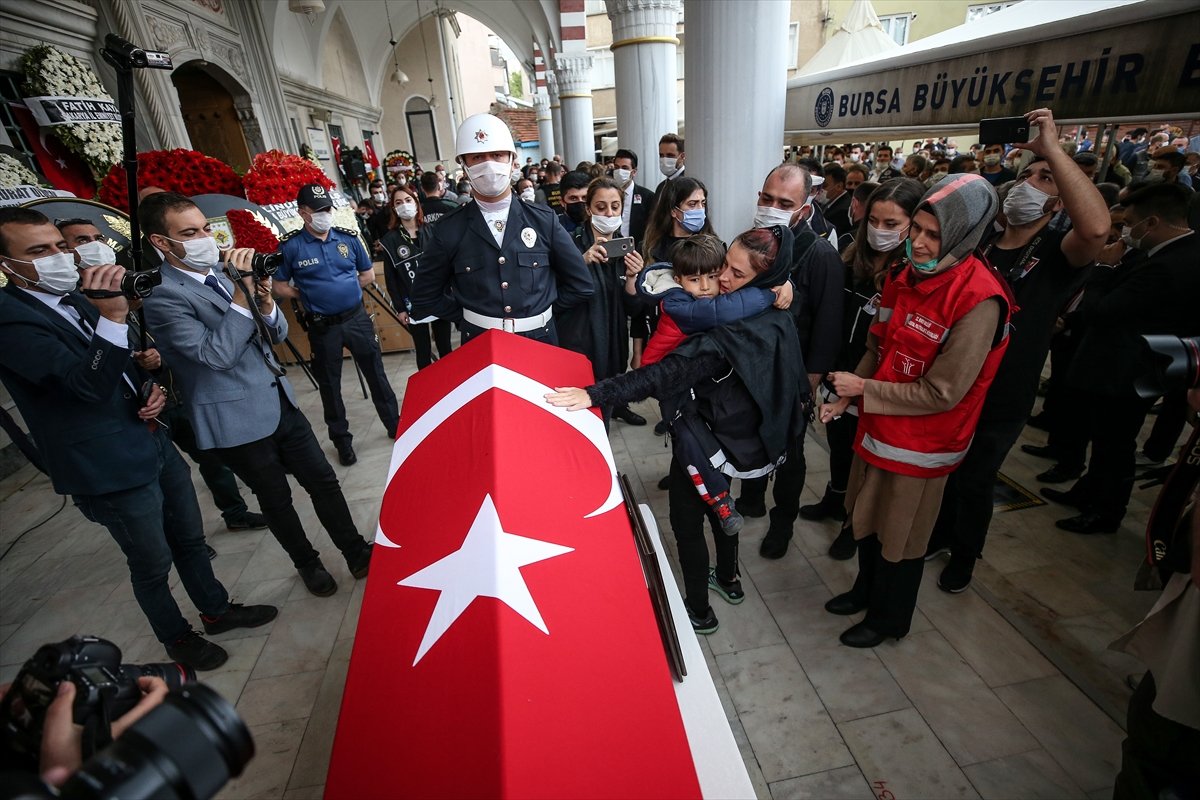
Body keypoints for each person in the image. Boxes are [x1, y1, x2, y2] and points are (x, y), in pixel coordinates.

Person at [0, 207, 277, 670]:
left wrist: (149, 388)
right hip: (106, 465)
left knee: (189, 538)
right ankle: (177, 638)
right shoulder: (11, 319)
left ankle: (216, 609)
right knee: (152, 560)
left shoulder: (76, 297)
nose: (57, 257)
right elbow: (82, 385)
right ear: (8, 265)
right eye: (38, 251)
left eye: (58, 247)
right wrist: (111, 314)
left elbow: (119, 370)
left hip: (150, 437)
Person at [547, 226, 806, 634]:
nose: (720, 280)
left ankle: (700, 611)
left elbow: (662, 375)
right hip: (736, 435)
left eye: (736, 275)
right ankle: (728, 580)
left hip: (703, 434)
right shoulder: (775, 308)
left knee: (688, 521)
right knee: (723, 505)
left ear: (764, 280)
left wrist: (595, 394)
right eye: (725, 266)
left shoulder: (723, 332)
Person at [139, 192, 374, 599]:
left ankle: (355, 550)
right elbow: (215, 356)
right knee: (276, 499)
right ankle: (308, 564)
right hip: (234, 418)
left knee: (324, 481)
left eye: (206, 228)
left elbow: (277, 335)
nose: (205, 238)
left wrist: (264, 303)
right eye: (190, 232)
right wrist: (238, 298)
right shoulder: (162, 296)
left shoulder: (221, 269)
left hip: (279, 400)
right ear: (161, 242)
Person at [818, 173, 1012, 648]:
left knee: (901, 538)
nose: (918, 243)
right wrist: (850, 397)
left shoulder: (979, 300)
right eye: (916, 230)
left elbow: (944, 391)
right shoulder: (905, 275)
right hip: (877, 425)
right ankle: (864, 592)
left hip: (922, 445)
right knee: (864, 516)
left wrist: (864, 388)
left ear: (964, 236)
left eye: (932, 235)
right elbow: (878, 344)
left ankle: (891, 619)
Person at [928, 108, 1108, 586]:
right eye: (1026, 173)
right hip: (953, 381)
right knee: (944, 467)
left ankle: (965, 554)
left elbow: (1094, 231)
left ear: (1059, 200)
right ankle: (940, 534)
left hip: (1004, 390)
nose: (1030, 182)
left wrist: (1052, 149)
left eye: (1045, 179)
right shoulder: (980, 240)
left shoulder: (1057, 253)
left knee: (977, 476)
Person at [55, 218, 268, 535]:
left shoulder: (133, 283)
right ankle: (181, 535)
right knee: (163, 476)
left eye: (98, 237)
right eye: (82, 240)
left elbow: (174, 336)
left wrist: (156, 359)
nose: (95, 245)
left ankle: (234, 510)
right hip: (128, 406)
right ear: (68, 252)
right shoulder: (71, 300)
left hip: (169, 388)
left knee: (209, 457)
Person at [1044, 183, 1199, 533]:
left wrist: (1103, 269)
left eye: (1129, 222)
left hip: (1136, 369)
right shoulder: (1173, 252)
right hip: (1133, 362)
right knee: (1104, 436)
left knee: (1115, 443)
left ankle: (1106, 511)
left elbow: (1105, 310)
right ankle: (1089, 491)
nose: (1125, 230)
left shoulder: (1172, 264)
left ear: (1152, 222)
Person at [803, 179, 926, 554]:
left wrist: (863, 382)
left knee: (863, 461)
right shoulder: (850, 257)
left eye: (892, 224)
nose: (879, 231)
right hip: (839, 372)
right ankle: (835, 499)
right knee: (840, 447)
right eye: (874, 220)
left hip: (875, 381)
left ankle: (852, 525)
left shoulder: (911, 273)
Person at [632, 233, 783, 533]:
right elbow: (721, 312)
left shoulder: (702, 296)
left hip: (692, 379)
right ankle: (719, 501)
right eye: (694, 279)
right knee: (689, 439)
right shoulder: (679, 303)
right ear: (678, 279)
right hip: (666, 380)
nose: (704, 287)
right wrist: (771, 293)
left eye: (713, 277)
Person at [410, 113, 593, 345]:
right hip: (481, 343)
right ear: (464, 166)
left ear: (512, 160)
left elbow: (581, 285)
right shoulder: (448, 229)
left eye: (496, 155)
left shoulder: (543, 221)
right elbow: (424, 296)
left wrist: (541, 313)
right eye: (477, 157)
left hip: (540, 340)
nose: (488, 163)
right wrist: (469, 318)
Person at [737, 165, 845, 559]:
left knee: (789, 454)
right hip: (750, 365)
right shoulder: (752, 242)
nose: (772, 208)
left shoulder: (819, 255)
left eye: (785, 203)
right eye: (767, 198)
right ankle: (750, 498)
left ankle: (782, 523)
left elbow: (829, 326)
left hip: (793, 373)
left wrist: (811, 382)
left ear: (804, 207)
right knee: (749, 436)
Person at [274, 184, 399, 466]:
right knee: (330, 386)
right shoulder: (291, 246)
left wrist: (346, 290)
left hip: (355, 318)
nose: (324, 215)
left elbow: (367, 275)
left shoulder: (348, 239)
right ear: (303, 213)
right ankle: (342, 441)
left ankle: (395, 425)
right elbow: (280, 286)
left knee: (376, 374)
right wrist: (306, 296)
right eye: (318, 211)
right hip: (322, 326)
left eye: (327, 209)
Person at [559, 176, 646, 426]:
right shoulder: (569, 244)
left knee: (605, 407)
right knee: (580, 417)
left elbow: (633, 308)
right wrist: (581, 262)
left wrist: (632, 278)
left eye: (615, 206)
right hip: (578, 344)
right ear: (588, 209)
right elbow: (558, 297)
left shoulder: (625, 249)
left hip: (613, 344)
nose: (609, 213)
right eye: (601, 207)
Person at [378, 184, 453, 369]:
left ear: (416, 202)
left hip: (439, 297)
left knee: (445, 347)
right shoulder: (389, 240)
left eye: (408, 200)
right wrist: (400, 308)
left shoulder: (433, 230)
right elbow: (391, 279)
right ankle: (429, 391)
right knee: (423, 350)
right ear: (394, 208)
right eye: (399, 202)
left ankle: (451, 386)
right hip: (413, 303)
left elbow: (447, 266)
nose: (404, 205)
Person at [613, 148, 655, 245]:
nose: (620, 171)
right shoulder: (608, 194)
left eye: (624, 168)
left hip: (635, 251)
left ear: (634, 172)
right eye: (616, 167)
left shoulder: (647, 197)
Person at [821, 164, 853, 239]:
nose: (820, 190)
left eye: (824, 186)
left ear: (839, 186)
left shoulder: (842, 211)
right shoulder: (829, 202)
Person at [556, 170, 592, 236]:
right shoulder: (554, 229)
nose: (580, 202)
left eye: (585, 198)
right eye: (573, 198)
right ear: (562, 202)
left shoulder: (601, 225)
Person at [653, 133, 687, 203]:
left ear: (682, 156)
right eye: (661, 155)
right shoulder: (661, 187)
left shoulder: (689, 184)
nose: (664, 159)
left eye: (670, 155)